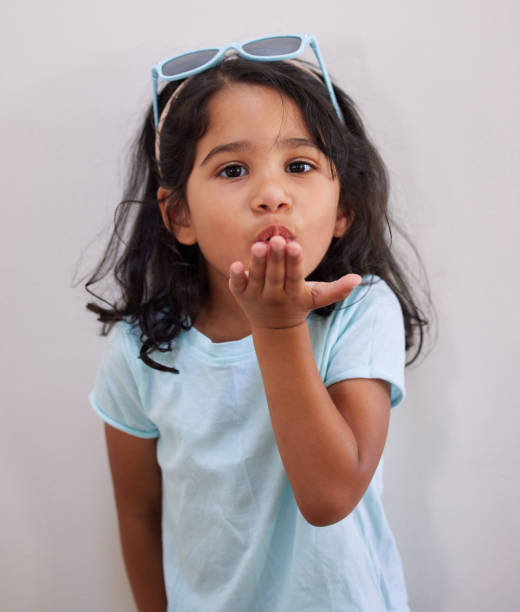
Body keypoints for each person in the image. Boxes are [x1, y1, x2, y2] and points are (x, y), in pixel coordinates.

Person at [86, 34, 428, 612]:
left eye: (299, 165)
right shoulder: (141, 350)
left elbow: (328, 496)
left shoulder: (360, 311)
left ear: (343, 209)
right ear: (180, 215)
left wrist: (277, 328)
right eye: (233, 169)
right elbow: (139, 513)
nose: (272, 194)